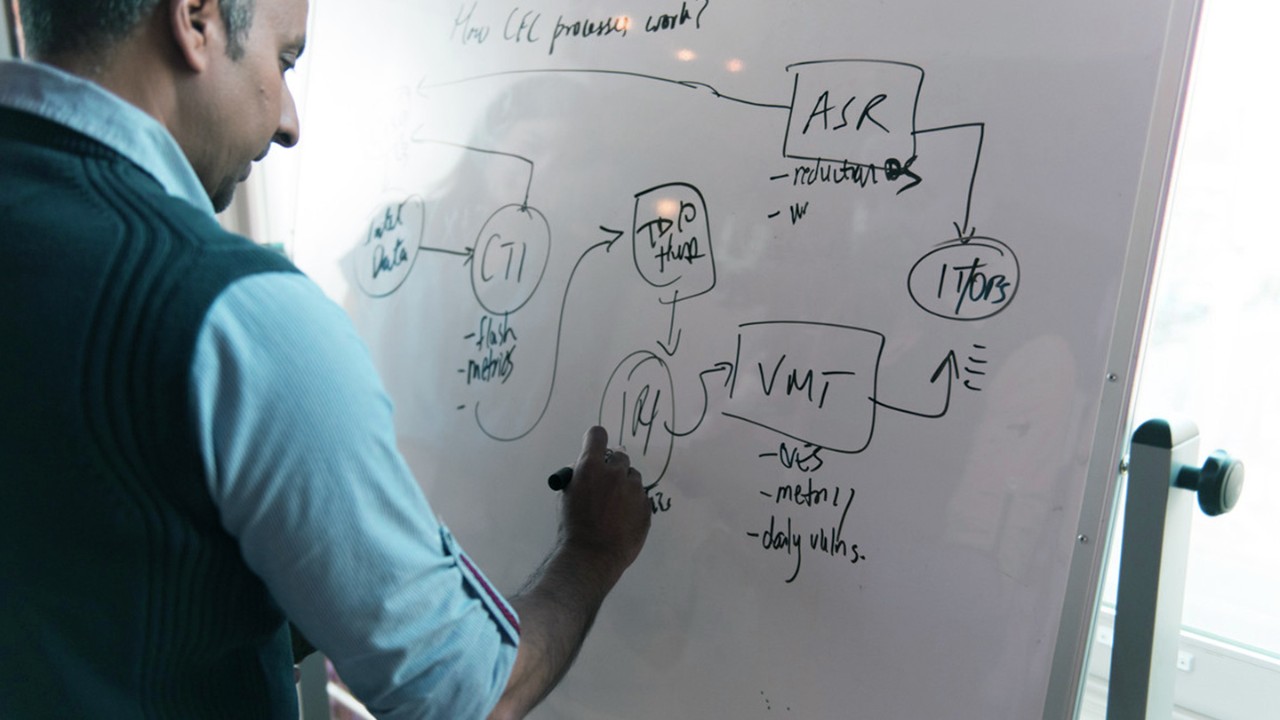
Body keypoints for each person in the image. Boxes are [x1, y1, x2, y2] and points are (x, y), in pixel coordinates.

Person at [0, 1, 651, 718]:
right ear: (196, 19)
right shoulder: (236, 315)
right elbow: (466, 694)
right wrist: (592, 550)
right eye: (282, 61)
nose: (289, 122)